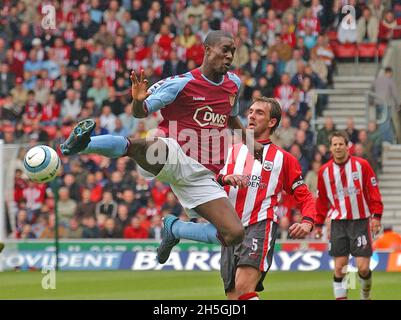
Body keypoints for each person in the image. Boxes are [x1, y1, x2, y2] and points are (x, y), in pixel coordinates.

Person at [60, 31, 263, 264]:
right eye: (225, 50)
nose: (229, 56)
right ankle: (80, 145)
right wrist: (137, 100)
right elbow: (141, 113)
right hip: (175, 151)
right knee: (137, 147)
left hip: (204, 175)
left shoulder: (234, 84)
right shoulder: (182, 83)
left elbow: (231, 118)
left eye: (233, 52)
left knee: (234, 233)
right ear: (207, 50)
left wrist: (250, 142)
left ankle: (174, 229)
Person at [217, 97, 316, 300]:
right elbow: (210, 182)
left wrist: (307, 221)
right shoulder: (232, 152)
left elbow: (305, 196)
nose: (252, 115)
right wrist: (223, 178)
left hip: (259, 225)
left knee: (244, 286)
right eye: (251, 111)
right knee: (233, 296)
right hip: (229, 228)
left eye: (259, 112)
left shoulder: (283, 159)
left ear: (272, 122)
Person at [315, 131, 383, 300]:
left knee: (363, 268)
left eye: (341, 144)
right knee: (340, 267)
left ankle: (365, 294)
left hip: (360, 221)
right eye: (335, 144)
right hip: (338, 223)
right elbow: (321, 201)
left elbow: (373, 192)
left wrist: (376, 217)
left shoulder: (362, 165)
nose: (338, 147)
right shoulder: (324, 172)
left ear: (347, 146)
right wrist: (317, 224)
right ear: (330, 148)